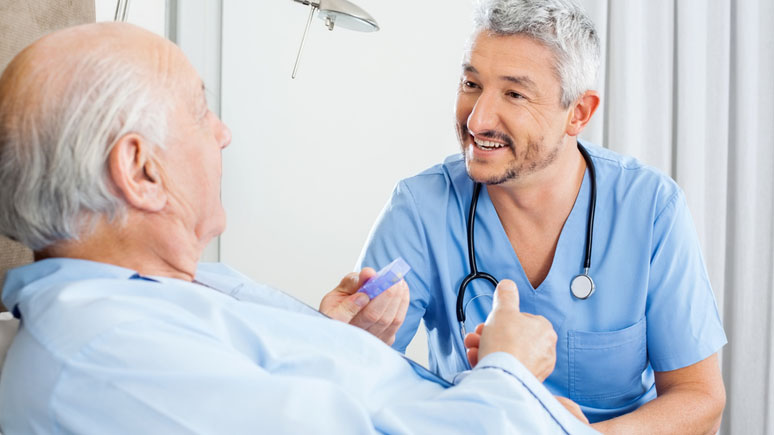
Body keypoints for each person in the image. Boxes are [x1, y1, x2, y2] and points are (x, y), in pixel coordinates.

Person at [0, 22, 597, 434]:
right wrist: (509, 373)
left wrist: (332, 339)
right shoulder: (104, 360)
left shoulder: (168, 289)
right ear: (140, 170)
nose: (222, 132)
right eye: (198, 109)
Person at [357, 0, 727, 432]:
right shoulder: (420, 209)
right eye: (471, 83)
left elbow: (700, 397)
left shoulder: (650, 209)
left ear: (579, 113)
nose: (476, 119)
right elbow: (358, 379)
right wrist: (352, 338)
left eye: (514, 94)